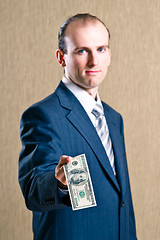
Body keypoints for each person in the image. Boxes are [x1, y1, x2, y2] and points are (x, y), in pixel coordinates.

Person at [18, 13, 137, 240]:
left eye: (101, 49)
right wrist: (58, 183)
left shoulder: (114, 118)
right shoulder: (43, 115)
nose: (94, 61)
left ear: (109, 54)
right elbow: (34, 189)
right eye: (82, 51)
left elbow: (122, 200)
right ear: (61, 57)